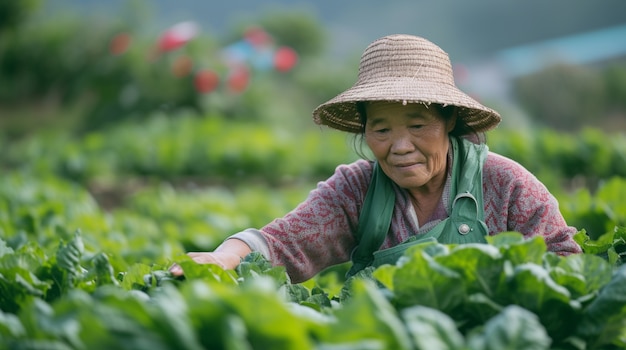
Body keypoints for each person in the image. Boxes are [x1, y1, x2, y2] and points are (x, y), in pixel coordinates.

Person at [169, 34, 582, 283]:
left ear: (449, 119)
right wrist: (224, 258)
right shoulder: (356, 189)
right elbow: (282, 242)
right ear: (364, 130)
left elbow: (565, 264)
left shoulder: (506, 184)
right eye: (381, 129)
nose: (399, 146)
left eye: (417, 125)